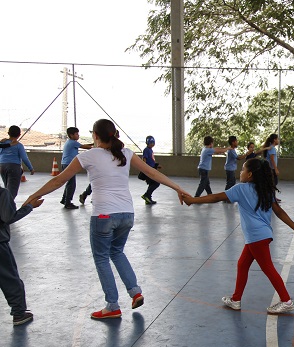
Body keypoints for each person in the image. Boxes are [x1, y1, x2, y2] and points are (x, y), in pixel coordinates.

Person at [23, 119, 191, 319]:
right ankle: (135, 292)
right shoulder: (126, 153)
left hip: (104, 215)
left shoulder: (88, 156)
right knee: (116, 251)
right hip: (127, 214)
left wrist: (33, 196)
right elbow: (151, 172)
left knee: (101, 257)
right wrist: (177, 188)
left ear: (95, 135)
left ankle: (112, 306)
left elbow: (60, 180)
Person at [182, 158, 294, 314]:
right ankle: (236, 300)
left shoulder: (241, 189)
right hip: (261, 235)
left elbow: (216, 197)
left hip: (256, 236)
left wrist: (193, 200)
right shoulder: (265, 190)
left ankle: (286, 301)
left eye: (242, 169)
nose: (240, 172)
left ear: (250, 174)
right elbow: (279, 211)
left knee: (268, 268)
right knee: (242, 265)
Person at [0, 185, 43, 325]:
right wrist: (29, 207)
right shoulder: (2, 193)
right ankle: (19, 313)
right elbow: (8, 217)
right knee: (10, 279)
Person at [60, 127, 93, 209]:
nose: (78, 135)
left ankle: (64, 200)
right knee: (71, 184)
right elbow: (85, 147)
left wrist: (93, 144)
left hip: (65, 163)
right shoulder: (72, 142)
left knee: (69, 183)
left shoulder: (70, 142)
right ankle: (68, 203)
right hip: (68, 164)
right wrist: (96, 146)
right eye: (76, 134)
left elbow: (85, 145)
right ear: (71, 135)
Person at [0, 125, 35, 200]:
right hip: (14, 167)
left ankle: (6, 203)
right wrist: (31, 168)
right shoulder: (19, 145)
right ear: (19, 135)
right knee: (12, 190)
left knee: (7, 188)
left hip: (2, 166)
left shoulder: (2, 143)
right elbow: (24, 158)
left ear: (8, 133)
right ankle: (7, 205)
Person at [141, 135, 161, 205]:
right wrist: (145, 168)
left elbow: (151, 160)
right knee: (156, 183)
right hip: (148, 170)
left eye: (153, 143)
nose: (152, 144)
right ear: (147, 143)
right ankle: (146, 195)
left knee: (152, 183)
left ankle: (148, 198)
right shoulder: (146, 150)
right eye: (151, 143)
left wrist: (156, 165)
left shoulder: (150, 150)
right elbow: (144, 159)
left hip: (152, 169)